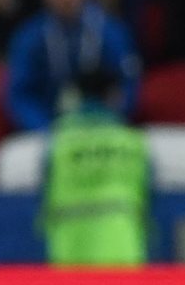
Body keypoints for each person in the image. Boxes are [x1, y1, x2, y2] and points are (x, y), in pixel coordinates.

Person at [5, 0, 140, 132]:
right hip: (48, 127)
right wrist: (44, 128)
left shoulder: (110, 30)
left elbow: (128, 82)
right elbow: (19, 93)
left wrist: (110, 118)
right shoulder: (30, 36)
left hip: (103, 124)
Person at [42, 70, 150, 266]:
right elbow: (149, 201)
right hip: (123, 247)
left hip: (69, 249)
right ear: (114, 96)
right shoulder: (133, 142)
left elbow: (44, 200)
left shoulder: (58, 143)